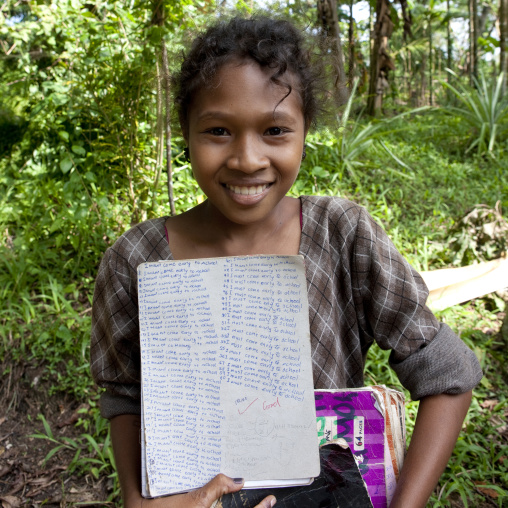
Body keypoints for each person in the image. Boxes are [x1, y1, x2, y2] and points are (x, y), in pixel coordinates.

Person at [90, 16, 482, 508]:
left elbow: (448, 376)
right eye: (217, 130)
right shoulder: (135, 261)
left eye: (275, 130)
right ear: (186, 133)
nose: (247, 158)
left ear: (305, 131)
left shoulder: (342, 235)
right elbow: (125, 395)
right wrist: (136, 500)